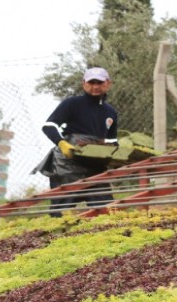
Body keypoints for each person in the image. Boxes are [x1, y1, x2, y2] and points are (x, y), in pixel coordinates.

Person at [35, 67, 119, 216]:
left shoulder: (111, 112)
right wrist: (62, 143)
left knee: (105, 210)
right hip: (69, 163)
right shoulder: (72, 103)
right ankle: (53, 236)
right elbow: (49, 126)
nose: (95, 86)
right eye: (91, 82)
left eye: (99, 82)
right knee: (61, 210)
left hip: (96, 164)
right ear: (84, 84)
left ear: (108, 84)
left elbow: (112, 141)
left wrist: (117, 157)